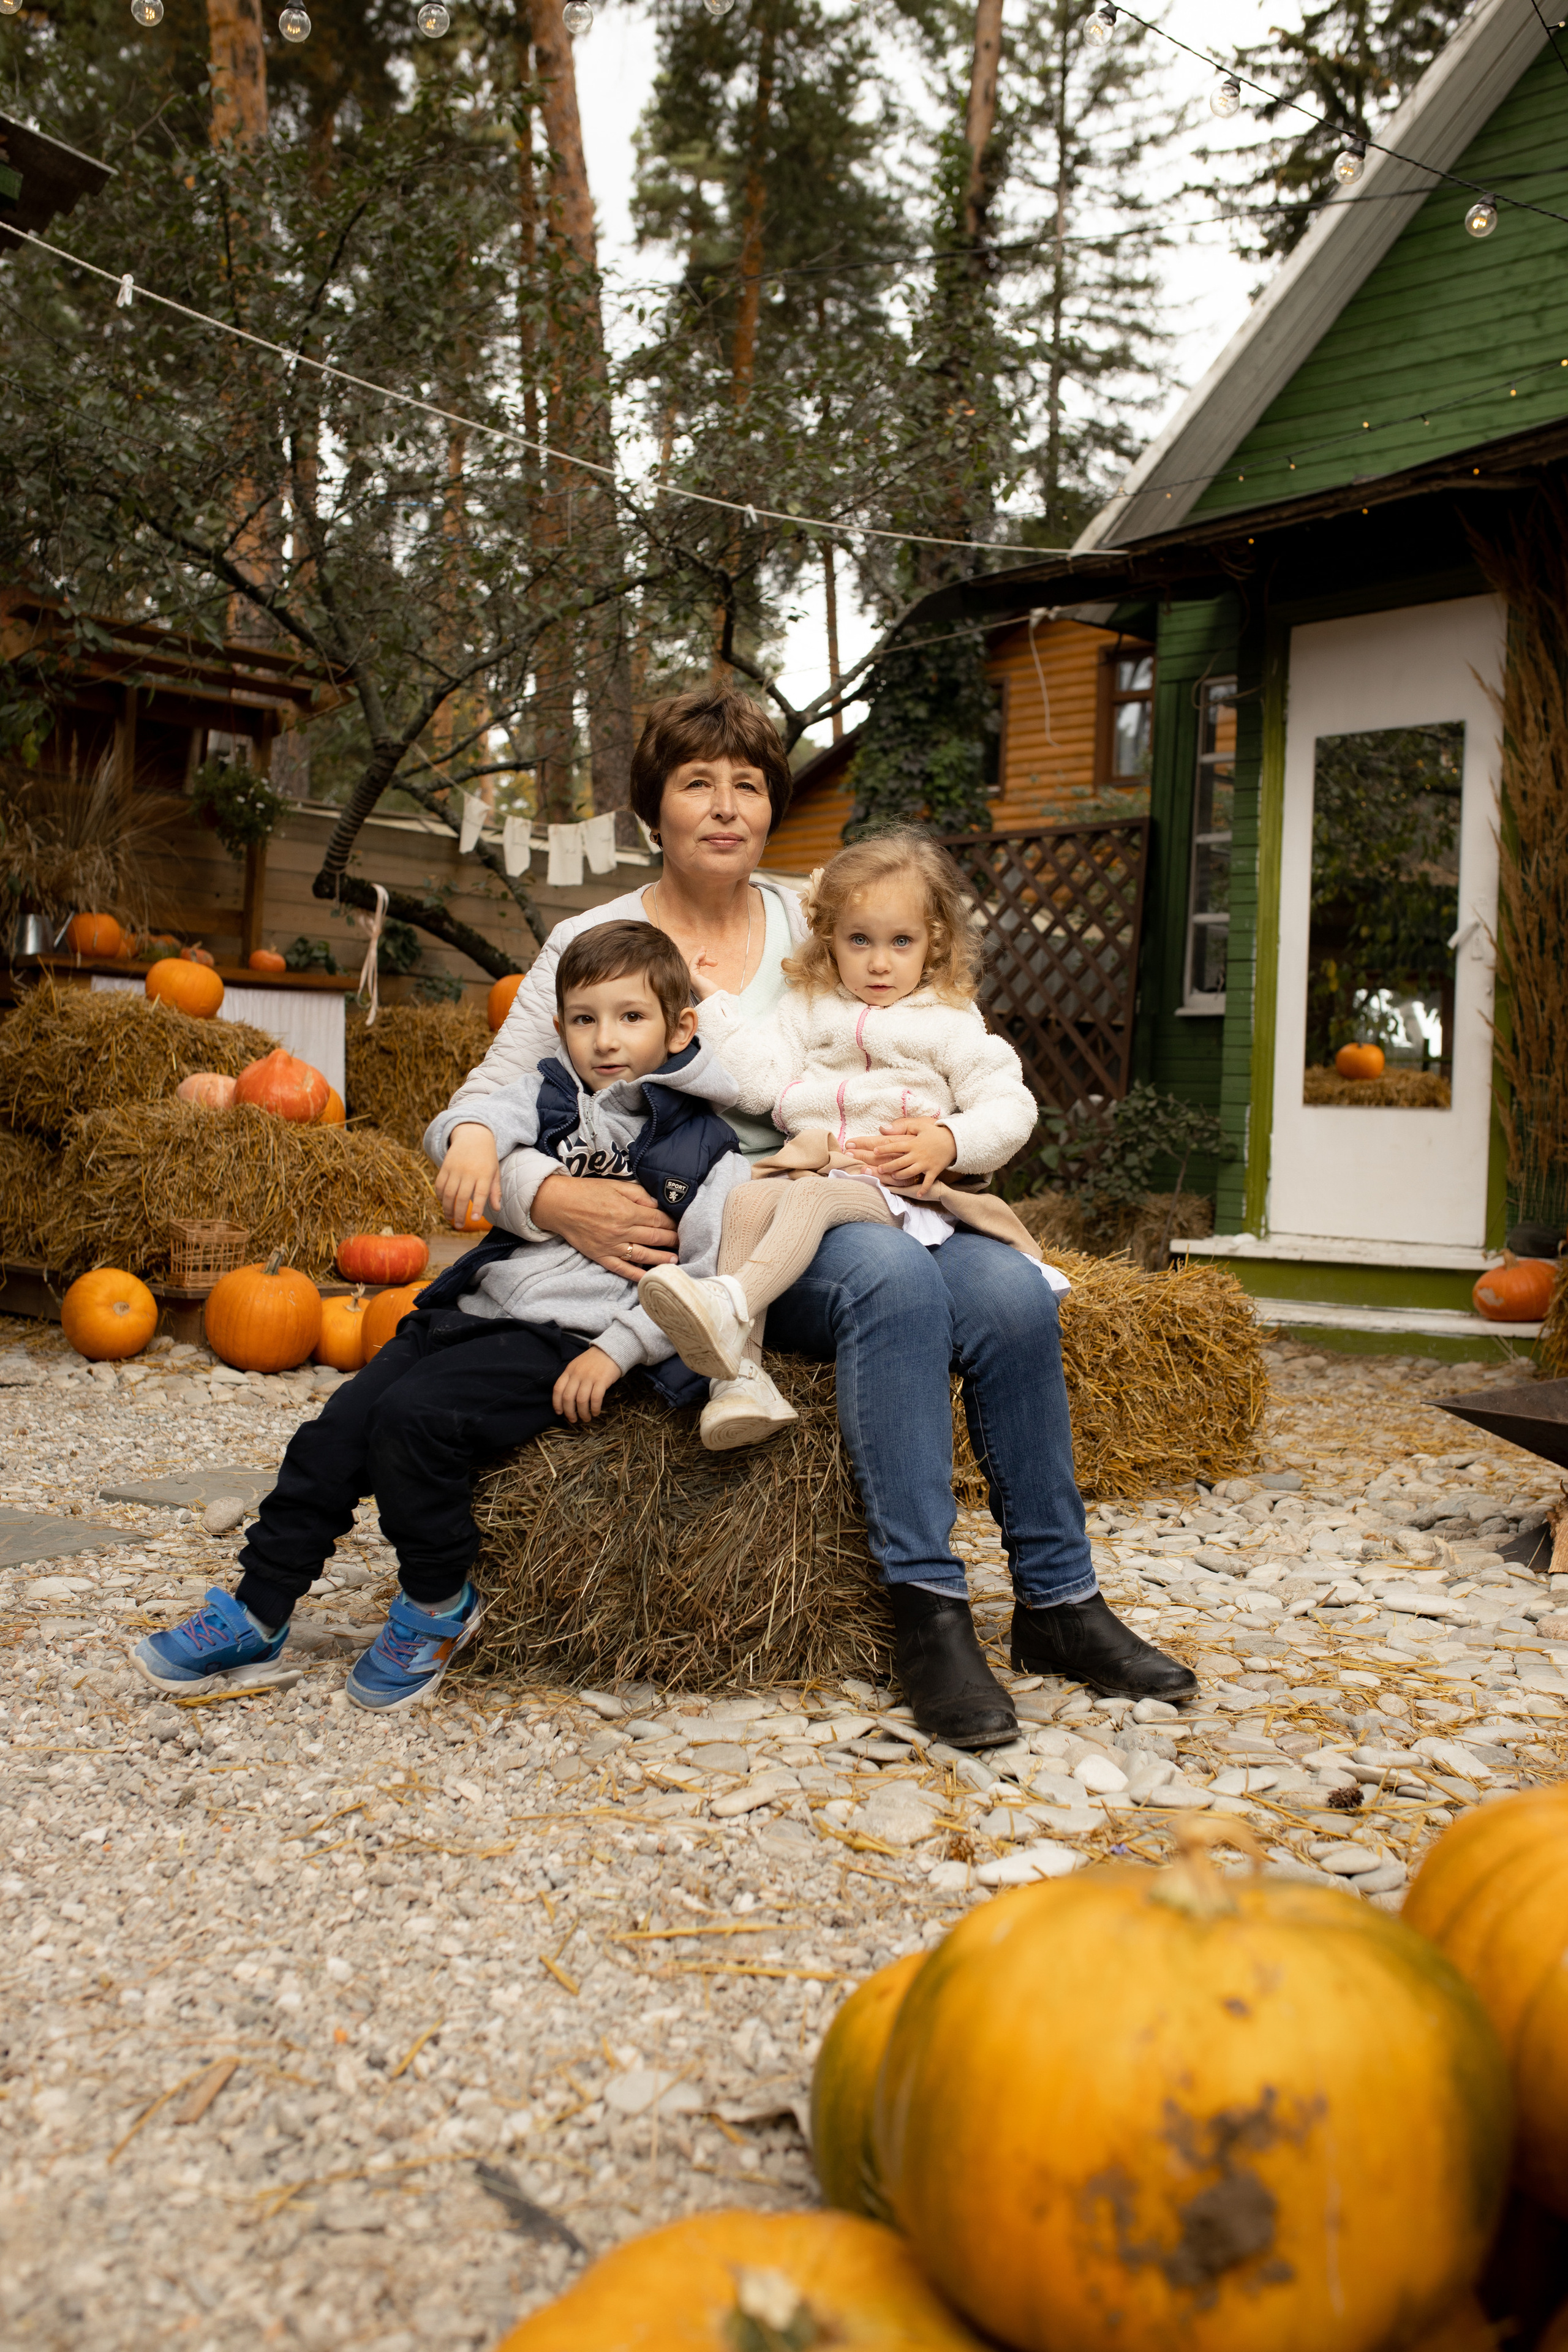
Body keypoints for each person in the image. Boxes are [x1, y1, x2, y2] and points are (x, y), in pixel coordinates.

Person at [437, 684, 1197, 1747]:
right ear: (653, 806)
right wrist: (534, 1185)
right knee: (890, 1282)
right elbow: (493, 1091)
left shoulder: (820, 913)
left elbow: (932, 1023)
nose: (724, 806)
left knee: (1011, 1292)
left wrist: (938, 1143)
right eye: (696, 782)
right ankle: (926, 1611)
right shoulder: (595, 936)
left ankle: (1060, 1602)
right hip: (727, 1218)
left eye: (749, 784)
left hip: (877, 1188)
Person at [131, 921, 754, 1714]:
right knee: (331, 1434)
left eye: (630, 1018)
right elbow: (467, 1121)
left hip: (564, 1340)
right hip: (470, 1311)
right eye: (584, 1018)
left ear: (679, 1026)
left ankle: (436, 1602)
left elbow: (703, 1280)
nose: (604, 1039)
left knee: (415, 1423)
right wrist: (468, 1140)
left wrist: (619, 1350)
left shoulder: (708, 1149)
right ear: (561, 1025)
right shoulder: (547, 1092)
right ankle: (260, 1606)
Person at [636, 827, 1056, 1453]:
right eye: (859, 940)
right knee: (747, 1203)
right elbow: (759, 1084)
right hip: (822, 1166)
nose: (879, 962)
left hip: (896, 1190)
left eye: (901, 942)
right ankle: (741, 1383)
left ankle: (732, 1304)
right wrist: (713, 1006)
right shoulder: (808, 1008)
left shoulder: (948, 1022)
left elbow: (1010, 1107)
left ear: (933, 944)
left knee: (808, 1199)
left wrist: (947, 1138)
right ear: (830, 939)